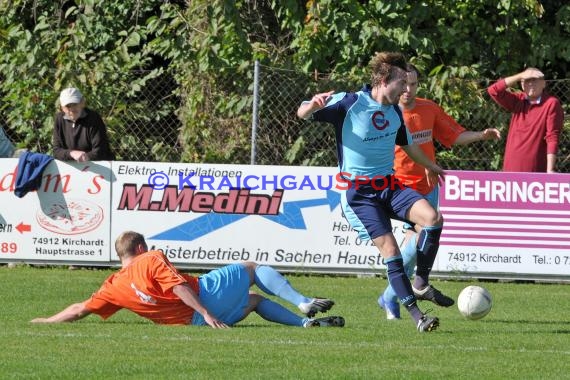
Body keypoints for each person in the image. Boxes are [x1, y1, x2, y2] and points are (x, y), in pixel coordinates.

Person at [297, 51, 446, 332]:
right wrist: (313, 106)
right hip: (360, 195)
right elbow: (302, 113)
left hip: (389, 185)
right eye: (401, 83)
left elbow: (409, 145)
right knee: (391, 251)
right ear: (382, 80)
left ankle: (421, 282)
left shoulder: (395, 112)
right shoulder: (350, 103)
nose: (406, 89)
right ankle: (418, 317)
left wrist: (432, 165)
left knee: (433, 219)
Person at [378, 63, 502, 320]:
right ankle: (399, 293)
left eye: (413, 84)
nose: (408, 90)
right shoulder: (384, 113)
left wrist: (482, 135)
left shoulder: (428, 108)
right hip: (398, 189)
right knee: (419, 238)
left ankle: (392, 295)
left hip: (428, 185)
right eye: (404, 84)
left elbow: (453, 136)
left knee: (422, 243)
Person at [31, 231, 344, 328]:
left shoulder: (112, 287)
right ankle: (302, 302)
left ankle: (306, 325)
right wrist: (208, 312)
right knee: (251, 267)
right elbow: (178, 286)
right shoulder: (152, 257)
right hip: (204, 300)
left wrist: (45, 321)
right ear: (140, 247)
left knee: (254, 301)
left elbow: (77, 310)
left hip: (189, 322)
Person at [487, 67, 564, 173]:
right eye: (527, 80)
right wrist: (520, 75)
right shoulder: (518, 100)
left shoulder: (551, 103)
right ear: (522, 85)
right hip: (510, 169)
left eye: (535, 80)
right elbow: (493, 90)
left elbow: (552, 137)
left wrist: (550, 170)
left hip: (535, 171)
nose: (531, 84)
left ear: (544, 84)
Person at [53, 87, 115, 162]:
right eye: (68, 106)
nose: (72, 109)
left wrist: (83, 157)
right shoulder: (59, 119)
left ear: (82, 103)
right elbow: (57, 151)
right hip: (71, 167)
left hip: (98, 165)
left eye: (74, 104)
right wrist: (71, 153)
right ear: (62, 107)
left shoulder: (94, 118)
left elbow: (100, 151)